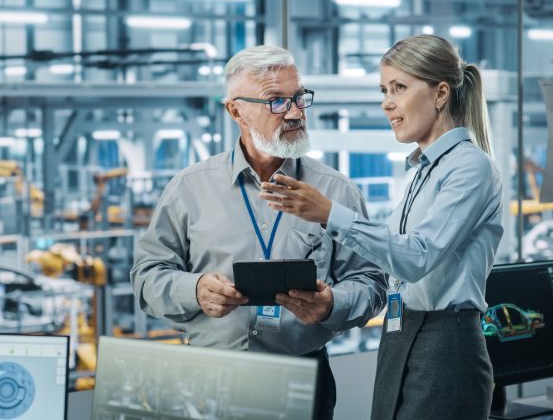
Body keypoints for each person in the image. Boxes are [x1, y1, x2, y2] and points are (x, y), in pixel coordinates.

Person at [130, 44, 387, 420]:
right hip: (205, 380)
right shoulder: (188, 189)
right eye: (277, 101)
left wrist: (332, 303)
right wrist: (195, 290)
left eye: (299, 97)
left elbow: (372, 282)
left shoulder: (336, 192)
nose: (296, 111)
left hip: (303, 376)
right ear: (236, 110)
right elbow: (146, 276)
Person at [259, 35, 503, 420]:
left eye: (399, 88)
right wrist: (332, 294)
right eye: (384, 90)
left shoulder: (471, 168)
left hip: (445, 341)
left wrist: (329, 213)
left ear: (441, 94)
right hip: (400, 332)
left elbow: (417, 258)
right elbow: (391, 257)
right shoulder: (421, 172)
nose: (387, 102)